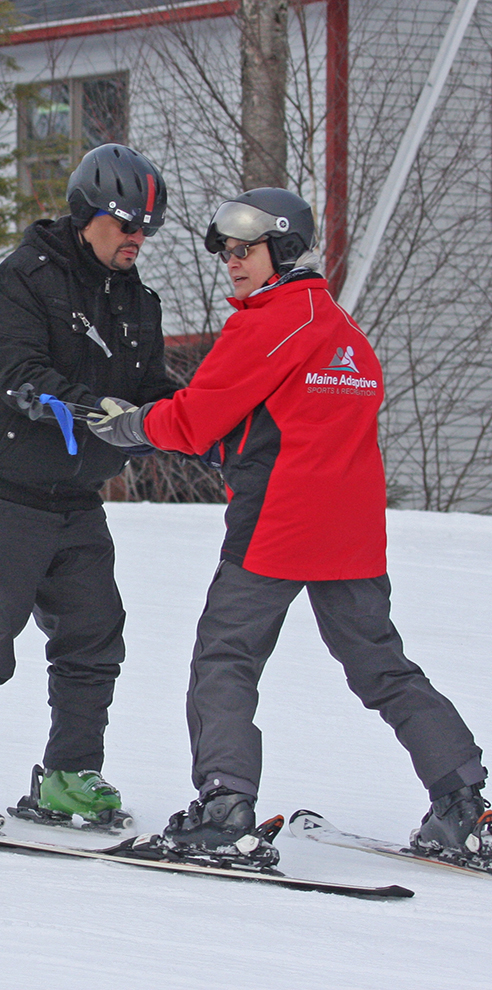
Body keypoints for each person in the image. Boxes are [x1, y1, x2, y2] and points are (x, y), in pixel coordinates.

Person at [88, 187, 489, 863]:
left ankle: (225, 808)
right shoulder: (343, 331)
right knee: (382, 667)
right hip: (351, 530)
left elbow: (195, 419)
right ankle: (464, 805)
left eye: (246, 252)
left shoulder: (270, 321)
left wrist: (130, 424)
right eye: (229, 254)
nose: (234, 265)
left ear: (283, 249)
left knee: (225, 657)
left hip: (277, 519)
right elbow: (284, 424)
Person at [0, 143, 176, 829]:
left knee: (94, 633)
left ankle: (70, 775)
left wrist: (203, 423)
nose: (137, 238)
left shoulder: (139, 302)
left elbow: (154, 391)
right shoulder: (24, 279)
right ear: (86, 215)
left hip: (75, 494)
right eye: (126, 223)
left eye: (147, 228)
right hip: (2, 485)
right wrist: (95, 411)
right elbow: (22, 375)